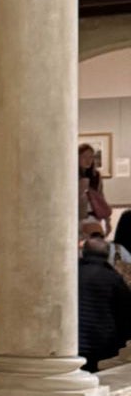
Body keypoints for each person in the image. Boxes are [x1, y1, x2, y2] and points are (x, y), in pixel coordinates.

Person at [78, 235, 131, 372]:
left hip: (72, 340)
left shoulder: (72, 273)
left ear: (84, 252)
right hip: (99, 343)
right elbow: (125, 311)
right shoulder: (112, 278)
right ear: (107, 254)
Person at [80, 142, 111, 231]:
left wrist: (107, 221)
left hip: (92, 214)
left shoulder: (96, 175)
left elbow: (101, 197)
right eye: (84, 157)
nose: (88, 160)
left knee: (96, 236)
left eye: (91, 157)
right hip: (77, 215)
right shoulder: (71, 176)